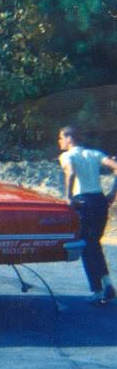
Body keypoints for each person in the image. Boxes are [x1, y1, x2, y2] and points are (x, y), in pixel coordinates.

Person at [58, 125, 117, 305]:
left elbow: (71, 172)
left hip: (83, 201)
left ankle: (98, 290)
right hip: (99, 200)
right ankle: (105, 283)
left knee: (86, 245)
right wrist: (113, 193)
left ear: (69, 138)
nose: (59, 141)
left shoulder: (67, 156)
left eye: (61, 137)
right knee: (93, 243)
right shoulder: (95, 154)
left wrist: (69, 196)